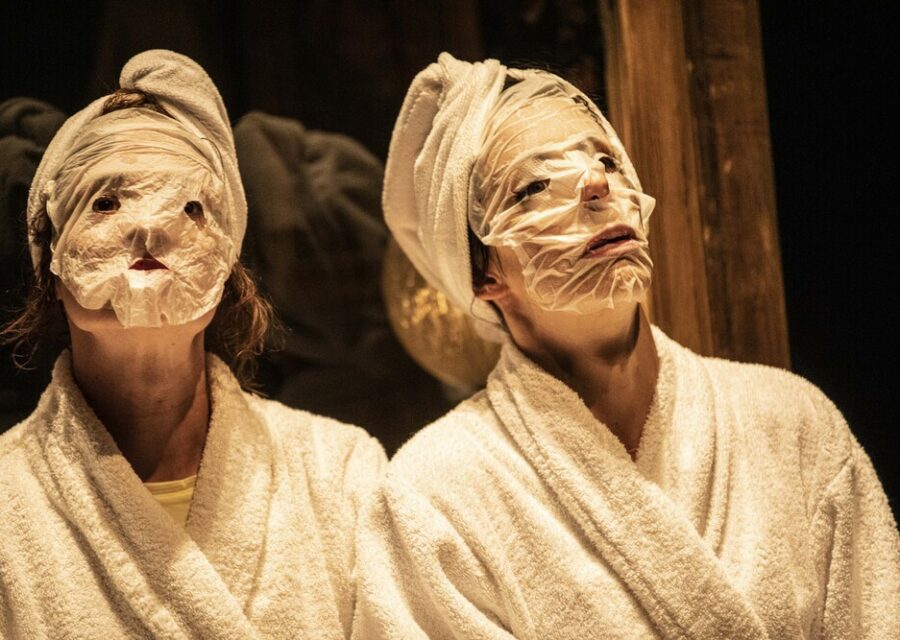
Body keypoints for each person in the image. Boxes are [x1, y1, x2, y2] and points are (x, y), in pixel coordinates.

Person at [353, 53, 900, 639]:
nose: (596, 183)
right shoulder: (432, 495)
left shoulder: (791, 421)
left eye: (607, 160)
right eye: (534, 186)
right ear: (482, 273)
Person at [0, 50, 385, 639]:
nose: (148, 228)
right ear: (50, 263)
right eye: (106, 203)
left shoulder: (343, 472)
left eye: (189, 207)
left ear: (227, 267)